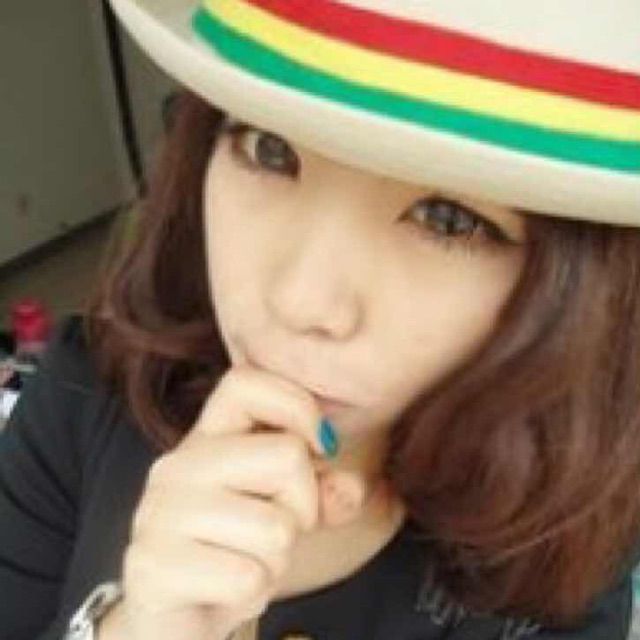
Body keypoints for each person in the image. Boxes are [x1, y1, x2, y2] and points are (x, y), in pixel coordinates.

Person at [1, 0, 639, 638]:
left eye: (447, 220)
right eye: (269, 150)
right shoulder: (88, 391)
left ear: (574, 283)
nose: (300, 303)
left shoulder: (572, 529)